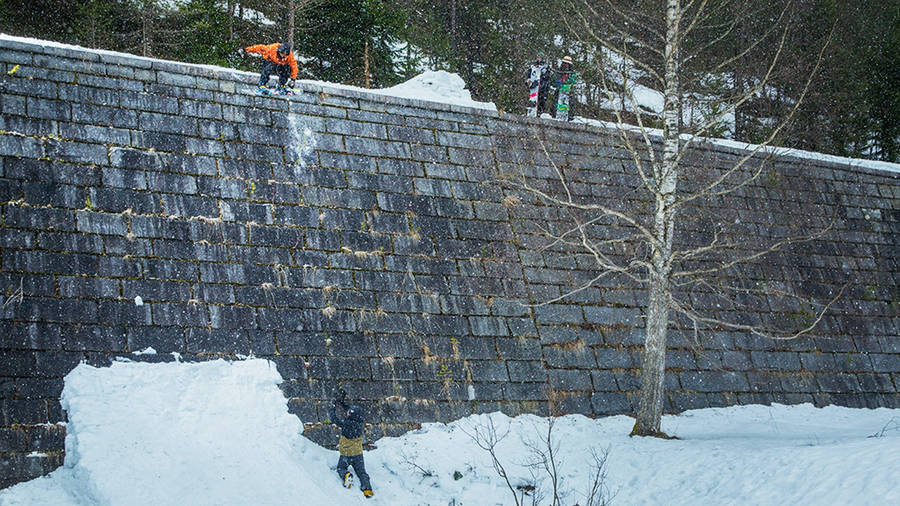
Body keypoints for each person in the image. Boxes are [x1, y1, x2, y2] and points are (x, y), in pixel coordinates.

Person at [329, 389, 373, 498]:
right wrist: (342, 401)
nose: (347, 412)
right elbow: (350, 409)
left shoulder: (346, 424)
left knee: (341, 468)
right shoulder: (359, 421)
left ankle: (346, 475)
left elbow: (333, 418)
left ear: (351, 415)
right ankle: (367, 489)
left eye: (349, 412)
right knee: (362, 473)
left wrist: (332, 407)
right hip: (358, 453)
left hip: (347, 453)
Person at [526, 52, 552, 116]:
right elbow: (528, 76)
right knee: (532, 99)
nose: (538, 59)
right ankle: (531, 111)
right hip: (533, 88)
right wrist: (528, 81)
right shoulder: (533, 67)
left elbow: (547, 77)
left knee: (541, 102)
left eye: (539, 58)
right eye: (537, 57)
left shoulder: (545, 67)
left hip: (542, 88)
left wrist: (540, 82)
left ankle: (540, 113)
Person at [553, 55, 578, 121]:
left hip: (568, 91)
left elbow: (573, 80)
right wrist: (558, 82)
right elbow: (554, 81)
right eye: (564, 63)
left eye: (567, 64)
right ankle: (555, 115)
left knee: (569, 104)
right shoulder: (559, 71)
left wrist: (566, 82)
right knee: (556, 103)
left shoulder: (572, 73)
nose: (565, 65)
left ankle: (569, 117)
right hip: (560, 90)